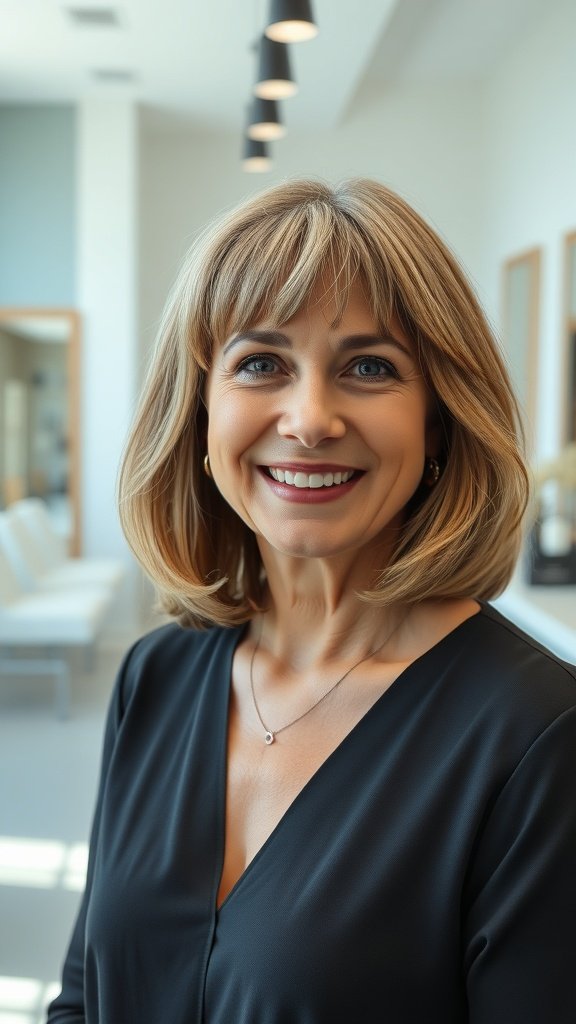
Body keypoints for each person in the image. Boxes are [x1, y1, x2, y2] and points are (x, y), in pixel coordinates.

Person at [47, 179, 576, 1024]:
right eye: (262, 363)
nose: (310, 417)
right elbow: (83, 995)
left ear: (438, 420)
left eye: (369, 367)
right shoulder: (158, 676)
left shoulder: (536, 735)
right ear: (200, 410)